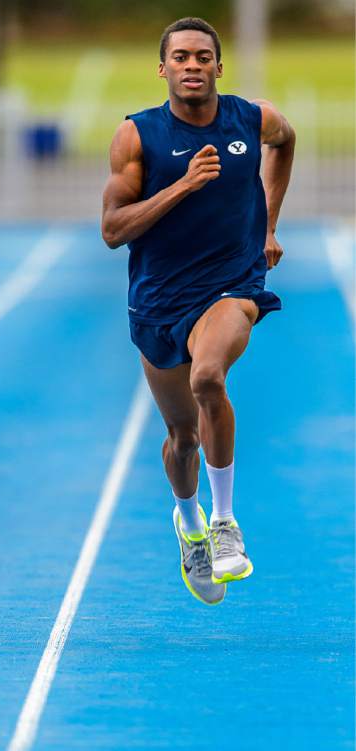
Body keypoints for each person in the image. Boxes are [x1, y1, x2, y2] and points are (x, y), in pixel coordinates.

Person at [101, 17, 295, 605]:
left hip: (232, 285)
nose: (192, 65)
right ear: (163, 69)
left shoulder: (251, 119)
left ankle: (225, 522)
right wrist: (182, 187)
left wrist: (269, 222)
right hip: (160, 299)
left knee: (209, 375)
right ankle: (188, 524)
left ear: (218, 66)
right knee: (181, 439)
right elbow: (112, 230)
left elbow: (285, 142)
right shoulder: (137, 136)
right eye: (180, 56)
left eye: (202, 56)